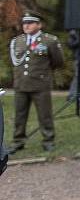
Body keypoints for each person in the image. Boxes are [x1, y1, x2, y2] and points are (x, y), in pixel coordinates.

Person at [8, 11, 64, 153]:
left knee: (44, 114)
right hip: (21, 84)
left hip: (40, 85)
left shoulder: (49, 41)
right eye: (24, 23)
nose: (26, 26)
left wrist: (43, 73)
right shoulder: (18, 41)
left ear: (39, 25)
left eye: (30, 23)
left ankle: (48, 140)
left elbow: (58, 61)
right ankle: (18, 141)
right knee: (20, 115)